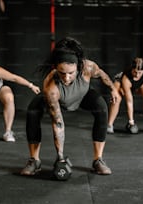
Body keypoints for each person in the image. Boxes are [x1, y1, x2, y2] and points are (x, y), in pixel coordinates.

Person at [20, 37, 119, 176]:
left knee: (101, 106)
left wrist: (113, 89)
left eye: (71, 73)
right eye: (62, 73)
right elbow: (58, 123)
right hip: (60, 100)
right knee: (33, 110)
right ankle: (34, 160)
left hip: (82, 95)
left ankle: (98, 160)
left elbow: (102, 74)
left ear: (78, 67)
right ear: (56, 68)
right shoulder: (51, 88)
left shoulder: (88, 67)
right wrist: (60, 157)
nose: (66, 78)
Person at [107, 57, 143, 134]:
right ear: (132, 69)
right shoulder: (126, 79)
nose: (137, 75)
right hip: (120, 83)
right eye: (135, 72)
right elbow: (129, 101)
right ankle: (109, 125)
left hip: (137, 84)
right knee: (116, 99)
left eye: (140, 73)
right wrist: (131, 121)